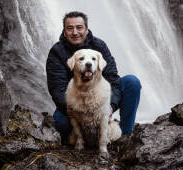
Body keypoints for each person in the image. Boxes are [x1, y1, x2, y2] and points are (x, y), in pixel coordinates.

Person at [46, 11, 141, 142]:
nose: (75, 32)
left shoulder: (99, 46)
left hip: (99, 99)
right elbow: (57, 87)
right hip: (75, 104)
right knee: (61, 123)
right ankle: (79, 138)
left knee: (132, 82)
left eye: (79, 27)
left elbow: (113, 79)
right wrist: (68, 106)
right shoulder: (57, 52)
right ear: (64, 31)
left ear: (86, 29)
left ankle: (125, 135)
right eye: (70, 28)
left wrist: (110, 106)